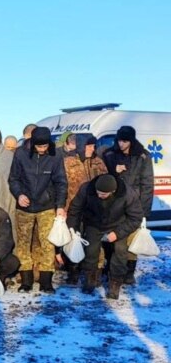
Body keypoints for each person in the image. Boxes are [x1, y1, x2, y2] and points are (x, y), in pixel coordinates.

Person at [8, 126, 68, 293]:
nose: (42, 149)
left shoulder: (55, 155)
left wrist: (60, 205)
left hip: (46, 206)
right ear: (33, 143)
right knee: (23, 243)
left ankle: (46, 281)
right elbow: (13, 179)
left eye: (45, 146)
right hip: (24, 207)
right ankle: (26, 280)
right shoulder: (20, 154)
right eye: (39, 146)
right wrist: (19, 194)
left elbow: (61, 182)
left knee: (47, 243)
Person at [67, 174, 142, 299]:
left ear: (112, 191)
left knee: (120, 251)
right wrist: (73, 230)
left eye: (103, 194)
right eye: (98, 192)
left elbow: (135, 218)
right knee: (90, 250)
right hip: (94, 223)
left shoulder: (127, 194)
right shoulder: (87, 189)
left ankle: (115, 283)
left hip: (118, 225)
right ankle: (90, 279)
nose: (99, 196)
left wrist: (118, 233)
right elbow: (75, 209)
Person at [102, 126, 154, 285]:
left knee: (131, 240)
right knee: (113, 239)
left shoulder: (142, 156)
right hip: (114, 204)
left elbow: (147, 183)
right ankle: (111, 268)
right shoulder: (110, 154)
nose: (121, 144)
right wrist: (114, 169)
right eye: (119, 140)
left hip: (134, 204)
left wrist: (144, 210)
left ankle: (129, 272)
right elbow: (103, 177)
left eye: (125, 141)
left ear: (131, 141)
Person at [62, 136, 107, 284]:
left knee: (95, 243)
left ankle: (95, 273)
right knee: (74, 239)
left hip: (95, 209)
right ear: (81, 146)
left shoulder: (98, 162)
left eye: (94, 146)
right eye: (89, 146)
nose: (92, 149)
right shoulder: (68, 162)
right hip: (73, 208)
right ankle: (73, 271)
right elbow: (60, 185)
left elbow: (105, 183)